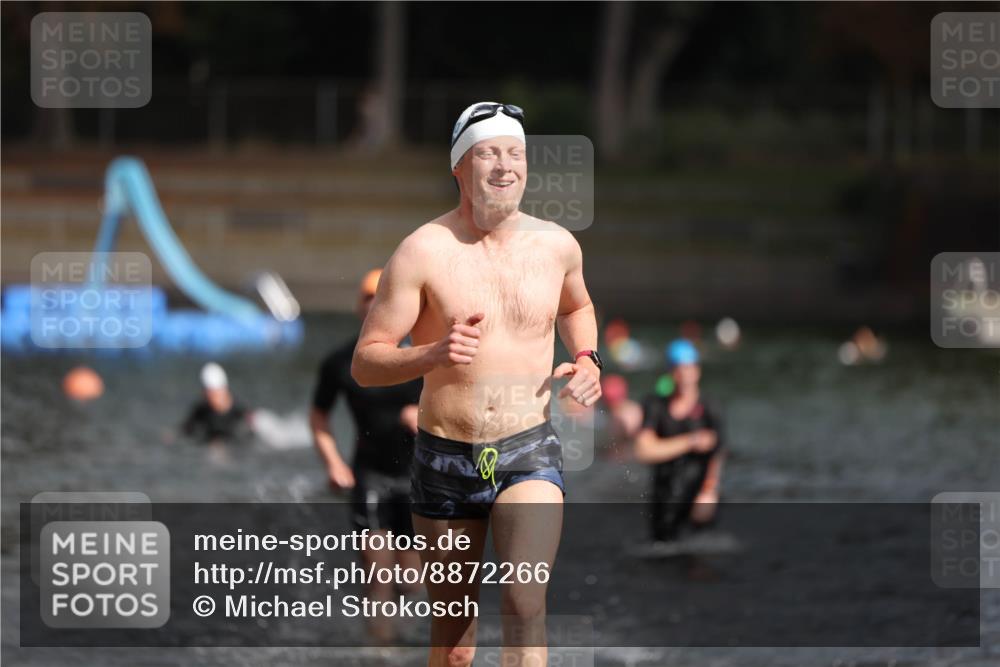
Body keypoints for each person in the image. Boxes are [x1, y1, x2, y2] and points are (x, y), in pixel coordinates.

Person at [351, 101, 602, 667]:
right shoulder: (422, 251)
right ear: (459, 167)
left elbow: (578, 304)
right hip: (445, 458)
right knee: (455, 642)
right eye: (489, 153)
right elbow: (366, 363)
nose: (505, 166)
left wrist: (588, 359)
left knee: (523, 600)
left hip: (527, 450)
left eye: (516, 154)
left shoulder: (558, 245)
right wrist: (432, 353)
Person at [310, 268, 423, 642]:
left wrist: (425, 416)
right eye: (367, 297)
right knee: (378, 580)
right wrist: (333, 462)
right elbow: (318, 417)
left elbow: (461, 407)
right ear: (359, 306)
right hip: (370, 473)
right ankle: (379, 653)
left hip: (417, 478)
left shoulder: (422, 356)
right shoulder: (341, 362)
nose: (374, 303)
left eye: (381, 296)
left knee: (412, 582)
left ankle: (412, 645)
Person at [634, 339, 725, 542]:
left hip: (698, 494)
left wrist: (710, 490)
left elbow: (719, 451)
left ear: (697, 371)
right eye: (679, 369)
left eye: (689, 368)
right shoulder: (655, 406)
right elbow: (643, 450)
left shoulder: (710, 407)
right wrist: (691, 441)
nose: (685, 375)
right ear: (670, 372)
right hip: (663, 495)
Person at [181, 362, 252, 443]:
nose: (212, 398)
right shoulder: (201, 411)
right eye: (208, 393)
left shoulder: (240, 412)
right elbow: (185, 430)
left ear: (224, 390)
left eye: (214, 393)